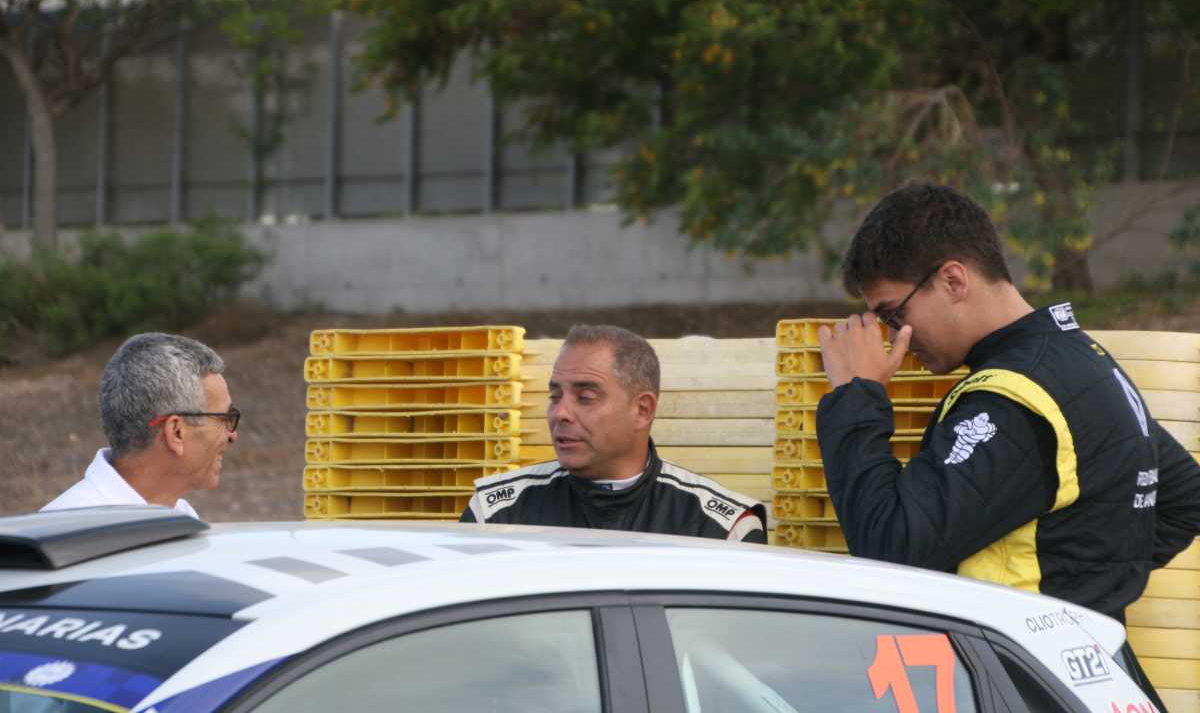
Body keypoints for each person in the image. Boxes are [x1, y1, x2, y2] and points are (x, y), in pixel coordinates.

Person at [815, 183, 1200, 624]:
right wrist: (1087, 586)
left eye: (894, 315)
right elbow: (1185, 499)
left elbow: (890, 548)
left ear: (954, 280)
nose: (891, 336)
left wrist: (857, 394)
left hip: (1014, 664)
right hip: (1078, 655)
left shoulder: (1012, 398)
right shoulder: (1082, 361)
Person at [461, 325, 767, 542]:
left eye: (585, 397)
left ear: (642, 410)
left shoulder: (721, 528)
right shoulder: (497, 513)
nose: (560, 413)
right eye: (555, 396)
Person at [42, 333, 240, 517]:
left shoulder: (180, 514)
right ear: (176, 432)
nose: (233, 435)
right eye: (225, 418)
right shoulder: (68, 530)